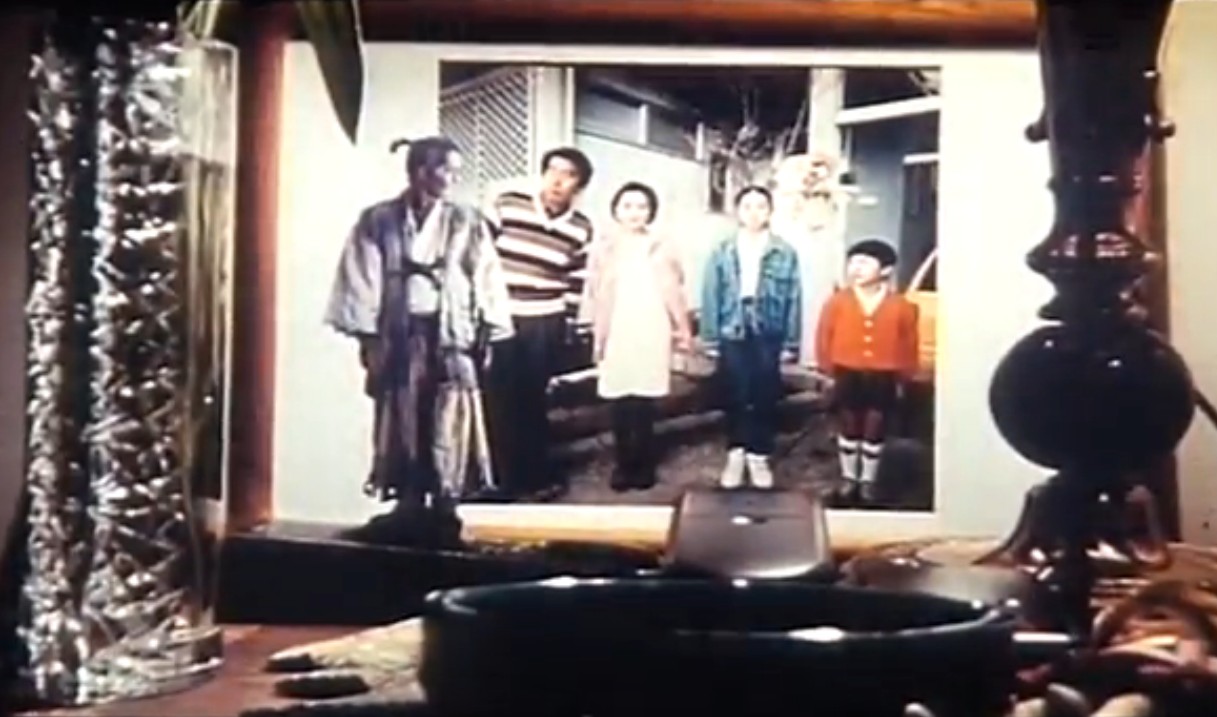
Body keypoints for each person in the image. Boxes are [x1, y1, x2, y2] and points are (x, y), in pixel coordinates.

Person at [323, 136, 514, 528]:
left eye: (456, 172)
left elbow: (486, 274)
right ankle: (408, 498)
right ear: (419, 170)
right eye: (445, 169)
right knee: (402, 411)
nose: (452, 178)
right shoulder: (378, 219)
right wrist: (369, 336)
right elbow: (361, 276)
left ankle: (447, 497)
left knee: (451, 410)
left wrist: (488, 324)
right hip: (400, 331)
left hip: (452, 330)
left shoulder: (467, 220)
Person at [484, 147, 595, 501]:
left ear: (579, 186)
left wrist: (569, 324)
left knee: (532, 401)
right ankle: (499, 480)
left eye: (568, 175)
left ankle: (535, 475)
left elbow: (576, 281)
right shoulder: (508, 205)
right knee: (496, 399)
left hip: (545, 321)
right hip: (501, 317)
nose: (557, 181)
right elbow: (479, 258)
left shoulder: (581, 228)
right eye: (552, 171)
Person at [580, 182, 692, 491]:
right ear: (616, 210)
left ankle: (644, 463)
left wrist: (682, 328)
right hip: (617, 326)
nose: (634, 213)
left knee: (643, 397)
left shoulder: (662, 246)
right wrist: (596, 335)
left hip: (651, 325)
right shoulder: (604, 248)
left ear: (651, 212)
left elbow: (674, 290)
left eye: (642, 206)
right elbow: (595, 294)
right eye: (627, 206)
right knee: (619, 397)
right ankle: (623, 463)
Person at [699, 185, 802, 490]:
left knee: (764, 392)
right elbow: (710, 293)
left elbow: (794, 297)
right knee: (735, 392)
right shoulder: (723, 250)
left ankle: (759, 455)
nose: (754, 213)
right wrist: (710, 336)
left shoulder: (784, 251)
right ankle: (736, 452)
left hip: (768, 327)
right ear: (738, 212)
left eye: (761, 206)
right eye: (747, 206)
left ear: (770, 212)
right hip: (732, 325)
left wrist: (791, 341)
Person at [815, 238, 919, 503]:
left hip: (883, 375)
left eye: (864, 263)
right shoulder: (838, 302)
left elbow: (909, 342)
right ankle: (849, 477)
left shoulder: (901, 306)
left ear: (885, 270)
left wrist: (905, 375)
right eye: (852, 262)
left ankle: (868, 481)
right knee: (849, 424)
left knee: (875, 427)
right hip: (847, 371)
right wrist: (827, 369)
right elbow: (824, 336)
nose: (856, 268)